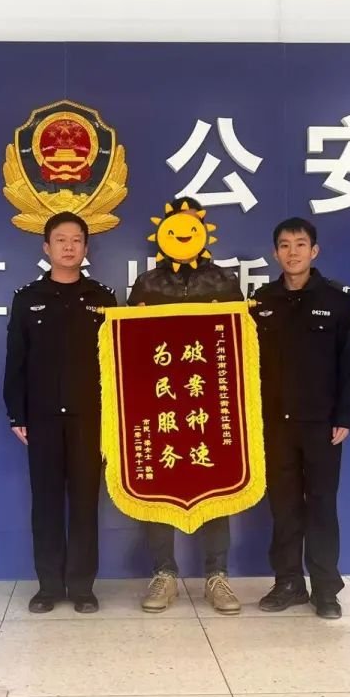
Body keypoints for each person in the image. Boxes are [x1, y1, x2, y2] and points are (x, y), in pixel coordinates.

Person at [128, 196, 245, 615]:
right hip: (160, 401)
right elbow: (130, 348)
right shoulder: (146, 285)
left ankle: (217, 576)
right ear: (162, 233)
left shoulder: (224, 282)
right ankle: (164, 573)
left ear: (204, 232)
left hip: (209, 400)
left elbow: (240, 342)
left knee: (216, 481)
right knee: (158, 485)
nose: (183, 233)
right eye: (175, 225)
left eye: (191, 225)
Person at [3, 212, 118, 614]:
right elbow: (16, 360)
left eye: (76, 240)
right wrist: (16, 413)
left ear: (86, 248)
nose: (69, 247)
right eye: (61, 240)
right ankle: (49, 586)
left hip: (90, 418)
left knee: (85, 503)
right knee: (47, 502)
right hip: (43, 417)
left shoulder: (102, 298)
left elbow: (116, 364)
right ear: (46, 247)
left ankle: (83, 588)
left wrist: (114, 418)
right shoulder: (28, 298)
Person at [249, 217, 350, 619]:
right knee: (283, 507)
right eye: (284, 245)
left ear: (314, 251)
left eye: (300, 244)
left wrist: (346, 415)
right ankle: (288, 583)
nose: (292, 252)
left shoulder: (337, 299)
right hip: (275, 425)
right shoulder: (261, 301)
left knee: (321, 506)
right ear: (275, 253)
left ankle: (326, 589)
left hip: (322, 425)